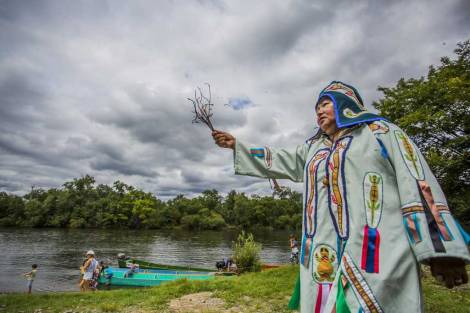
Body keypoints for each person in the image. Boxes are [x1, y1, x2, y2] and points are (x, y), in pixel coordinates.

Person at [212, 81, 469, 313]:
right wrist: (238, 145)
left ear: (345, 104)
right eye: (316, 108)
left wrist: (442, 251)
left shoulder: (380, 133)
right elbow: (282, 159)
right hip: (324, 250)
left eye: (325, 104)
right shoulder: (314, 147)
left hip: (376, 247)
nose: (319, 111)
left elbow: (417, 181)